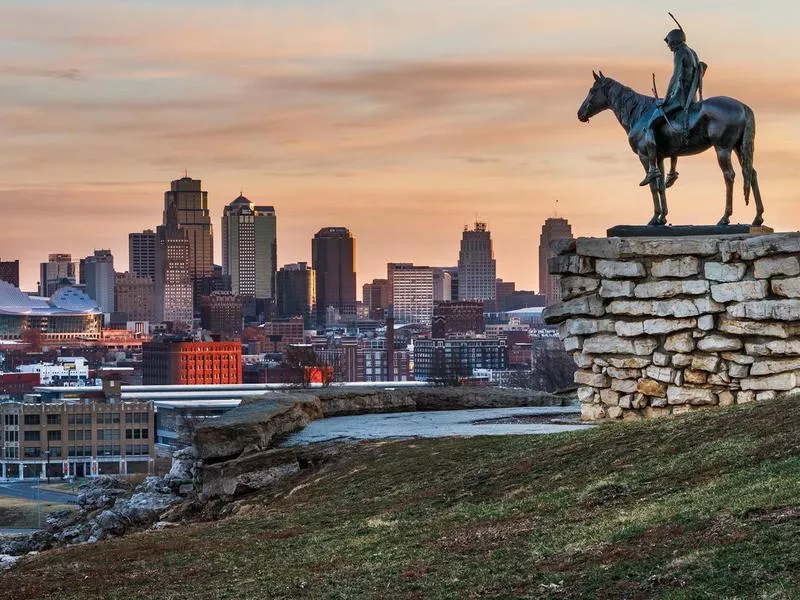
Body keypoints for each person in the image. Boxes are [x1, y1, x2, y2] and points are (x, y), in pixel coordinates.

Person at [639, 21, 704, 187]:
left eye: (669, 43)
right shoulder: (693, 53)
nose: (668, 47)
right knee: (669, 129)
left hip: (680, 99)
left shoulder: (680, 53)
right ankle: (672, 171)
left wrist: (666, 99)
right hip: (691, 98)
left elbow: (675, 77)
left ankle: (653, 168)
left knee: (651, 124)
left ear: (674, 40)